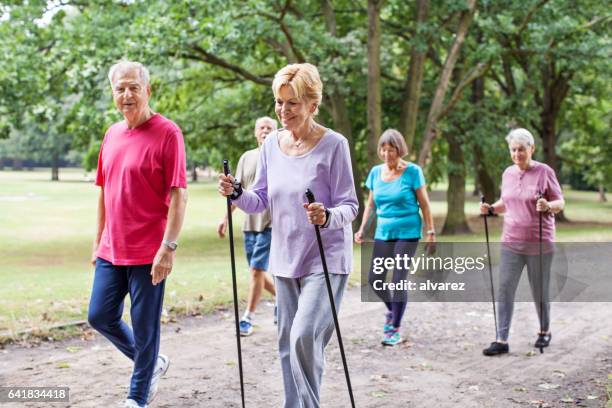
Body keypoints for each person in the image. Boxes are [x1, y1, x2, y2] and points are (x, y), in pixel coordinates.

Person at [218, 63, 358, 408]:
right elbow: (259, 200)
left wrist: (326, 216)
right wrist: (236, 193)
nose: (283, 111)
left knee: (302, 336)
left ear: (312, 103)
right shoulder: (271, 147)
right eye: (279, 103)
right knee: (287, 343)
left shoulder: (334, 145)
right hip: (285, 259)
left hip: (326, 259)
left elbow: (350, 206)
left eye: (291, 103)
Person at [87, 61, 188, 408]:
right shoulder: (112, 134)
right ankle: (152, 364)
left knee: (146, 329)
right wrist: (98, 239)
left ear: (148, 90)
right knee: (99, 316)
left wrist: (168, 247)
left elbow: (179, 193)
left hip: (150, 251)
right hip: (111, 249)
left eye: (133, 87)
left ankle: (137, 397)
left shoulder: (168, 132)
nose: (127, 94)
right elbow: (104, 190)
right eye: (120, 88)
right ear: (113, 93)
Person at [480, 128, 564, 356]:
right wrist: (491, 209)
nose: (517, 154)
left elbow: (560, 202)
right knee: (505, 289)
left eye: (522, 149)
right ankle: (501, 339)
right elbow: (507, 202)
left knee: (539, 290)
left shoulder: (544, 172)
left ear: (531, 149)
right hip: (511, 242)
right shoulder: (508, 173)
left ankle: (544, 331)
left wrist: (548, 205)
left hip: (539, 242)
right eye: (513, 149)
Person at [354, 129, 435, 346]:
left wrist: (431, 232)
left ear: (400, 150)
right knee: (375, 279)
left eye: (392, 149)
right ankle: (393, 310)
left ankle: (394, 328)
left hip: (408, 231)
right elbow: (370, 205)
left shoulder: (413, 172)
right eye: (384, 149)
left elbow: (425, 205)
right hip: (384, 231)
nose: (387, 153)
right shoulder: (375, 173)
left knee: (399, 280)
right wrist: (362, 229)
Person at [217, 116, 277, 336]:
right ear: (255, 132)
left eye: (270, 127)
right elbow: (237, 193)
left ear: (276, 132)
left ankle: (248, 317)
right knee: (257, 271)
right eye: (261, 127)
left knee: (256, 271)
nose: (265, 130)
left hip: (270, 223)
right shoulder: (247, 158)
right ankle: (283, 299)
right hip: (249, 224)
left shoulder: (280, 157)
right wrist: (225, 218)